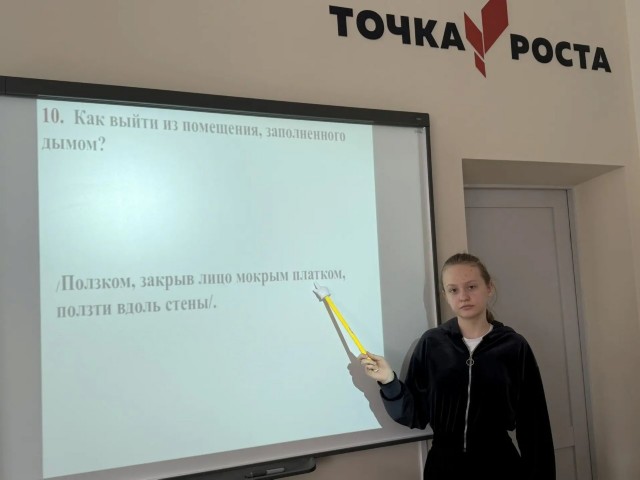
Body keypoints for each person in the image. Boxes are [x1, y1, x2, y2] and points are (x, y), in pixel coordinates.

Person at [359, 253, 555, 480]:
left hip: (500, 465)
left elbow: (534, 424)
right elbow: (415, 415)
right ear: (445, 295)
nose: (463, 296)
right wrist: (389, 381)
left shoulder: (513, 346)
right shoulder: (432, 343)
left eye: (471, 287)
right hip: (444, 468)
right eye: (453, 290)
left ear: (489, 288)